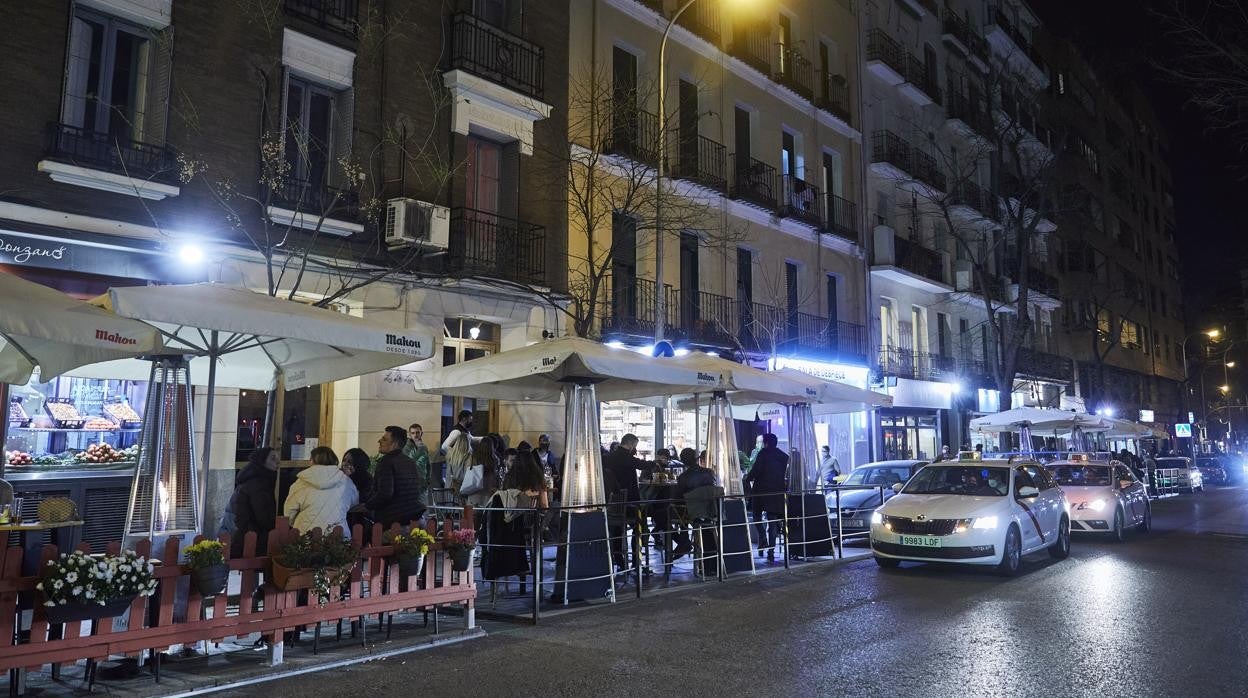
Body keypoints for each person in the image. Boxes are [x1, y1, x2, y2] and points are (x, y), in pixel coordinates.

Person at [283, 446, 358, 537]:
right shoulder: (346, 481)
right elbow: (354, 502)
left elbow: (289, 512)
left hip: (305, 538)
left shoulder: (301, 482)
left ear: (312, 460)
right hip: (337, 539)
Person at [603, 433, 651, 571]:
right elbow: (642, 465)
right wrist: (657, 463)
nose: (634, 449)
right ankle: (637, 562)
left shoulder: (610, 457)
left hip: (613, 505)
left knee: (617, 531)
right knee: (641, 528)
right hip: (629, 503)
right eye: (634, 446)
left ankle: (619, 560)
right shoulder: (626, 457)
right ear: (630, 444)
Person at [366, 426, 425, 528]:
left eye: (384, 439)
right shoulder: (410, 462)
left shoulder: (386, 462)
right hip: (414, 519)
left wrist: (367, 506)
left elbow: (385, 494)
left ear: (395, 444)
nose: (379, 441)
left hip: (393, 523)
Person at [743, 433, 789, 563]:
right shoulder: (783, 456)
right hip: (777, 492)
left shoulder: (763, 453)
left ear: (766, 442)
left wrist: (748, 478)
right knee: (773, 521)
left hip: (761, 491)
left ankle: (763, 539)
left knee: (756, 516)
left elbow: (756, 470)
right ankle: (771, 551)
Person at [230, 447, 279, 557]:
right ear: (262, 461)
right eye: (272, 458)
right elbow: (263, 516)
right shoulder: (258, 484)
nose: (277, 461)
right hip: (252, 537)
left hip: (245, 535)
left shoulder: (254, 479)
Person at [404, 423, 431, 500]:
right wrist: (420, 449)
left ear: (421, 433)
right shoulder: (406, 447)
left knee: (424, 508)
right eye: (413, 433)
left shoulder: (424, 447)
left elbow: (428, 464)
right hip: (410, 485)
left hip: (423, 484)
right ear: (410, 434)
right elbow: (410, 462)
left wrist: (428, 480)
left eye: (417, 432)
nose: (415, 435)